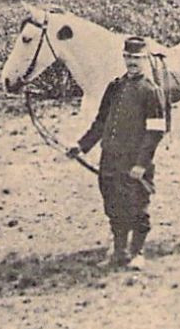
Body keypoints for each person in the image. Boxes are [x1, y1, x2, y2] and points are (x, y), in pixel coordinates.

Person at [68, 37, 167, 270]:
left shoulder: (151, 92)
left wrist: (142, 164)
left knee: (137, 206)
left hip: (134, 162)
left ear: (145, 60)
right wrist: (81, 146)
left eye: (138, 58)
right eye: (129, 57)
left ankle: (138, 253)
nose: (132, 62)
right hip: (109, 159)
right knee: (113, 204)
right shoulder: (114, 87)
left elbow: (155, 132)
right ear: (123, 57)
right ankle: (119, 252)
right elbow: (101, 122)